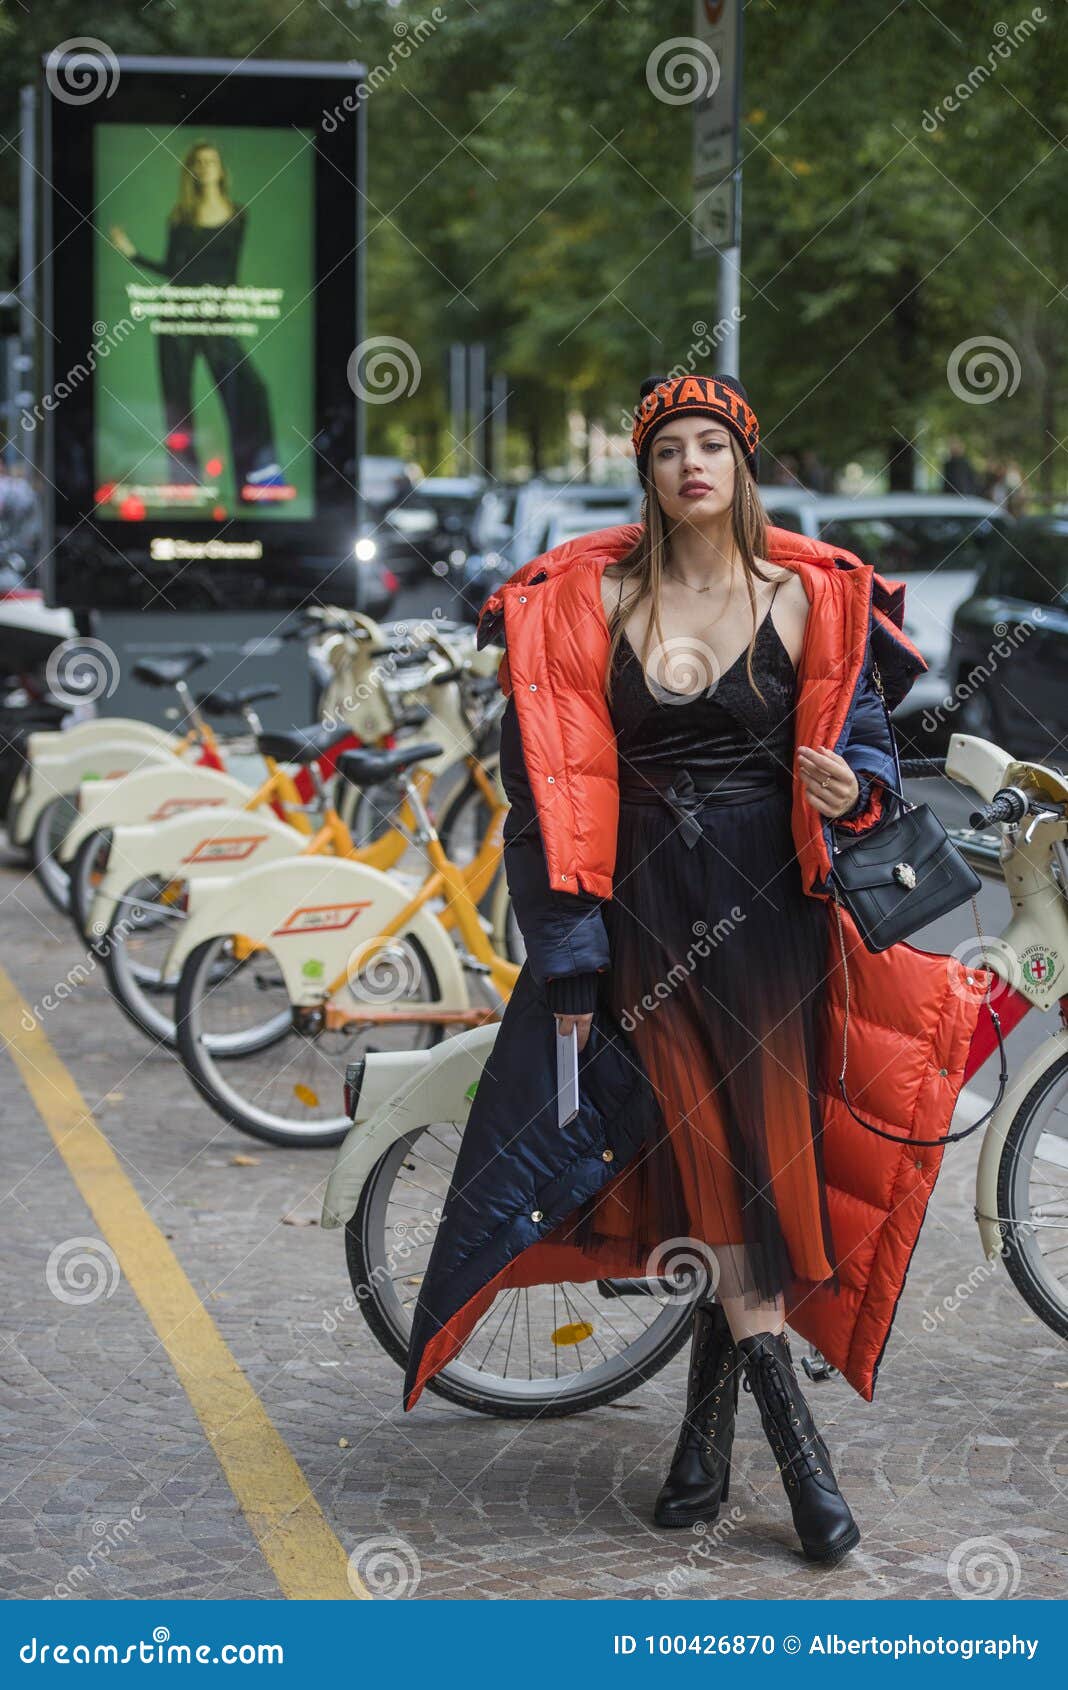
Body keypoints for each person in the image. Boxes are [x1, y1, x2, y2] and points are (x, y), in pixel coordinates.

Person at [402, 373, 991, 1569]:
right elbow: (544, 794)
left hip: (777, 916)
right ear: (649, 474)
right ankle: (804, 1462)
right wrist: (568, 945)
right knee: (722, 1167)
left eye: (710, 443)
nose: (690, 464)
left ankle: (700, 1447)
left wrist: (858, 789)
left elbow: (871, 748)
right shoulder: (590, 602)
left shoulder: (811, 599)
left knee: (756, 1168)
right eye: (668, 447)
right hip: (647, 918)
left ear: (742, 463)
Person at [110, 141, 285, 503]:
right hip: (177, 314)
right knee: (177, 405)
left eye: (211, 161)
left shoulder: (239, 214)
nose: (205, 168)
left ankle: (259, 483)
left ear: (221, 170)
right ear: (191, 170)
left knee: (252, 391)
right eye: (198, 162)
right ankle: (186, 488)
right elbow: (175, 270)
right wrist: (133, 255)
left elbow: (230, 272)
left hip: (215, 316)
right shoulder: (180, 217)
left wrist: (233, 303)